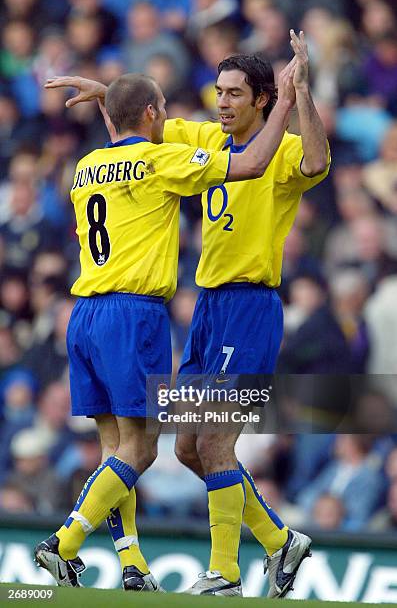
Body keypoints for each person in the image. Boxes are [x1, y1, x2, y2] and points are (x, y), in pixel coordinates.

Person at [45, 31, 329, 597]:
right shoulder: (203, 135)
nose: (221, 103)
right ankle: (279, 542)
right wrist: (110, 93)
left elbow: (319, 159)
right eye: (218, 91)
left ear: (262, 101)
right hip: (208, 306)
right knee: (186, 447)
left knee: (216, 441)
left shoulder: (286, 148)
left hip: (250, 305)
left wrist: (302, 95)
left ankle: (224, 573)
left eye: (233, 94)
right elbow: (141, 130)